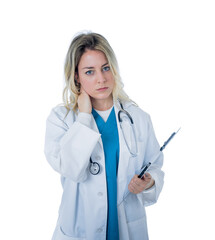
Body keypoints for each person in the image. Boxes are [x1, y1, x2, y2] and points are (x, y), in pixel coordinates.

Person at [44, 31, 164, 240]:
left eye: (105, 68)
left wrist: (149, 182)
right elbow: (71, 169)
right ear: (76, 76)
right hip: (80, 229)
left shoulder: (137, 117)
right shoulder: (62, 119)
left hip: (126, 228)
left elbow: (155, 165)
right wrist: (83, 117)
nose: (101, 79)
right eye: (89, 72)